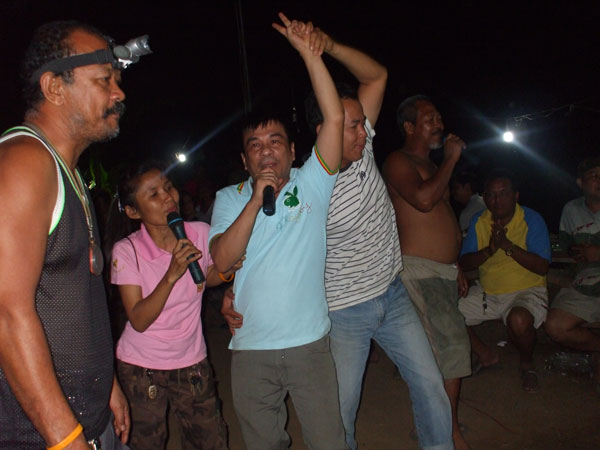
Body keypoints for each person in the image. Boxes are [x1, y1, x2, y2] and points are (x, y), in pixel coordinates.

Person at [209, 13, 347, 450]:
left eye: (275, 142)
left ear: (292, 150)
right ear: (245, 160)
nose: (265, 151)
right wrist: (255, 200)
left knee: (328, 442)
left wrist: (310, 55)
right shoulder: (229, 198)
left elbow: (335, 118)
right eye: (255, 145)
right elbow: (222, 260)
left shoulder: (314, 182)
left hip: (309, 345)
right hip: (251, 348)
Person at [0, 21, 133, 449]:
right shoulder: (23, 164)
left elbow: (72, 297)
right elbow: (6, 313)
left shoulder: (68, 171)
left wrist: (107, 385)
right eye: (104, 80)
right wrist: (65, 437)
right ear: (54, 87)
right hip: (41, 436)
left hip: (89, 418)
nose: (118, 93)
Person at [108, 160, 239, 449]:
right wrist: (171, 274)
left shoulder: (199, 232)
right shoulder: (127, 251)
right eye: (154, 194)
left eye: (168, 187)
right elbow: (139, 319)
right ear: (133, 211)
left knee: (211, 441)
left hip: (191, 360)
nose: (168, 197)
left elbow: (204, 278)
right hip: (141, 367)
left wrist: (227, 270)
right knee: (146, 444)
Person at [383, 95, 471, 450]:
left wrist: (455, 264)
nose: (439, 124)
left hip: (441, 271)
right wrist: (451, 159)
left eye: (439, 117)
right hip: (419, 271)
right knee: (452, 346)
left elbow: (440, 215)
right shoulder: (398, 161)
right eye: (430, 119)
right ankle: (446, 431)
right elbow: (423, 201)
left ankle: (434, 425)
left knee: (440, 352)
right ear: (409, 127)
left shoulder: (430, 164)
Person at [458, 169, 551, 393]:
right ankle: (484, 354)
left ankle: (527, 364)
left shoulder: (531, 219)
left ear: (516, 196)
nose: (497, 200)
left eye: (503, 193)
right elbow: (465, 262)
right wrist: (489, 250)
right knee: (446, 312)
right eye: (491, 194)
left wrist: (507, 246)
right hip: (488, 293)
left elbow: (542, 266)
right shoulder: (479, 221)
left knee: (519, 320)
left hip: (526, 291)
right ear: (484, 197)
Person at [545, 157, 600, 389]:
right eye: (594, 175)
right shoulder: (571, 210)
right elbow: (567, 245)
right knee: (555, 327)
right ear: (580, 182)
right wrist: (574, 251)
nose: (599, 180)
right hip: (585, 282)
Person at [452, 171, 486, 235]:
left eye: (456, 188)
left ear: (467, 187)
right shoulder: (483, 202)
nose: (453, 191)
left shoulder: (467, 213)